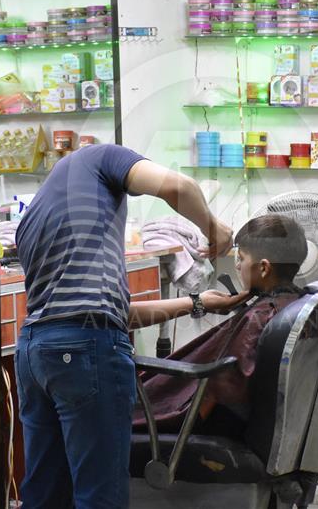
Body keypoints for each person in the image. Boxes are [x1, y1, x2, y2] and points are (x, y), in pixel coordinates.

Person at [13, 143, 246, 509]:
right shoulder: (101, 156)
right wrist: (213, 227)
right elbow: (180, 187)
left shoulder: (33, 220)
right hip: (85, 349)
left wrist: (198, 302)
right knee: (99, 497)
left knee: (45, 495)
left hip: (34, 353)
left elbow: (110, 314)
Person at [133, 214, 309, 439]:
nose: (237, 265)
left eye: (241, 258)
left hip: (202, 431)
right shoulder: (297, 305)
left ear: (264, 268)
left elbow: (217, 398)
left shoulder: (260, 316)